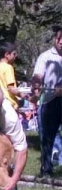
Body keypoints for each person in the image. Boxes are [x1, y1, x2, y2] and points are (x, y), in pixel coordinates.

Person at [31, 25, 62, 177]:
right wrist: (36, 91)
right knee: (47, 138)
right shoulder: (45, 57)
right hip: (50, 103)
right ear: (54, 39)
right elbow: (37, 77)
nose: (61, 41)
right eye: (58, 38)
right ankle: (46, 170)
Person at [0, 42, 23, 110]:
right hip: (9, 106)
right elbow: (11, 88)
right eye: (14, 54)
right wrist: (24, 95)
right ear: (7, 54)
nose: (16, 56)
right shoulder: (8, 67)